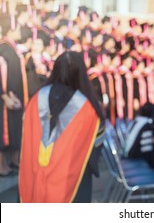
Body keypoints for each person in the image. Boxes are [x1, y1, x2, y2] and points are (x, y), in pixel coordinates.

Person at [19, 51, 105, 202]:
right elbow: (94, 151)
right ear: (81, 74)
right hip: (74, 183)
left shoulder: (35, 100)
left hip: (33, 178)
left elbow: (26, 141)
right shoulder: (88, 108)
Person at [0, 14, 28, 175]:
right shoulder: (4, 48)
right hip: (5, 100)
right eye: (17, 28)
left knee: (11, 131)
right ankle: (1, 165)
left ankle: (7, 163)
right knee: (3, 131)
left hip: (12, 97)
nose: (20, 31)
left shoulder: (10, 48)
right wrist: (5, 95)